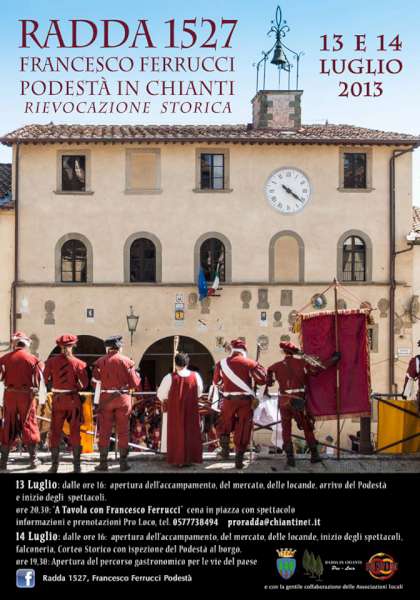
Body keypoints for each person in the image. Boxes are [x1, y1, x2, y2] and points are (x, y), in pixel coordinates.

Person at [266, 341, 340, 467]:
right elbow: (317, 370)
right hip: (298, 400)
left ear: (283, 352)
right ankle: (314, 455)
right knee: (307, 427)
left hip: (283, 401)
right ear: (294, 352)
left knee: (286, 429)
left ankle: (290, 459)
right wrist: (333, 360)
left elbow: (269, 382)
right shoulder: (302, 363)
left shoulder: (275, 366)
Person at [213, 338, 267, 469]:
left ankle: (225, 451)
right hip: (245, 401)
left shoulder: (221, 363)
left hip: (228, 400)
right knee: (243, 427)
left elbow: (217, 382)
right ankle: (239, 458)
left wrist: (227, 384)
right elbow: (262, 380)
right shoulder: (250, 363)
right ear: (244, 350)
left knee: (224, 424)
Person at [92, 336, 140, 472]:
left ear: (108, 348)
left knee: (104, 431)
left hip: (106, 399)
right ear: (119, 347)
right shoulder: (128, 362)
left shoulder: (99, 362)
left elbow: (94, 382)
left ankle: (103, 463)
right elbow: (135, 383)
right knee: (123, 431)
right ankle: (123, 463)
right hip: (123, 399)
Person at [43, 334, 89, 473]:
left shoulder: (51, 362)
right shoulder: (79, 363)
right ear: (73, 346)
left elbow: (45, 379)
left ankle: (54, 466)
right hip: (73, 400)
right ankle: (77, 467)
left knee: (55, 432)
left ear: (59, 346)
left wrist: (55, 385)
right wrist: (74, 387)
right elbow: (85, 384)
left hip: (58, 400)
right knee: (75, 432)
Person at [0, 332, 44, 471]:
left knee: (8, 425)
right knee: (29, 424)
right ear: (26, 344)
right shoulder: (33, 359)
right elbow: (39, 380)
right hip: (26, 396)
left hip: (10, 395)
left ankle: (3, 462)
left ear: (14, 343)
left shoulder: (4, 358)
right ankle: (33, 460)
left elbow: (0, 377)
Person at [157, 352, 203, 467]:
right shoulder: (196, 376)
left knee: (176, 433)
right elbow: (199, 392)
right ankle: (190, 458)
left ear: (176, 364)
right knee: (190, 432)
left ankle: (178, 459)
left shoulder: (169, 377)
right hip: (191, 409)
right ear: (187, 363)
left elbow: (161, 394)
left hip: (175, 410)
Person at [402, 340, 420, 409]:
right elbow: (410, 376)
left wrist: (405, 392)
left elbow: (409, 376)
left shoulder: (417, 361)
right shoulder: (417, 361)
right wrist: (406, 391)